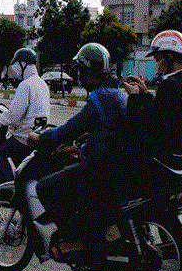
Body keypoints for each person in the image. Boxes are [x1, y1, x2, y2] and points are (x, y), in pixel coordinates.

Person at [26, 43, 126, 257]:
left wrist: (42, 138)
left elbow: (71, 127)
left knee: (45, 188)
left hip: (99, 166)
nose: (78, 75)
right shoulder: (116, 91)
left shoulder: (99, 97)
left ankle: (75, 240)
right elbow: (106, 126)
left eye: (80, 70)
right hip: (114, 162)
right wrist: (87, 138)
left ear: (89, 71)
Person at [122, 29, 182, 173]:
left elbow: (146, 124)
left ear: (169, 56)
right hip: (179, 158)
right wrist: (145, 94)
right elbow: (164, 113)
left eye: (158, 59)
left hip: (162, 159)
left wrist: (133, 97)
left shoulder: (170, 84)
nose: (157, 64)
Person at [0, 48, 50, 182]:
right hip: (38, 134)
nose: (15, 68)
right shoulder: (42, 84)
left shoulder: (25, 85)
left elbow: (14, 115)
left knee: (0, 153)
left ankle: (10, 188)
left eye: (16, 64)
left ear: (23, 64)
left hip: (24, 137)